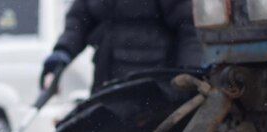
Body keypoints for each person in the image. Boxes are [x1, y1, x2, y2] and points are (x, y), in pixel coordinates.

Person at [41, 0, 203, 91]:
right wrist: (62, 54)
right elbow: (78, 23)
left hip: (156, 87)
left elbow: (188, 28)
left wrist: (189, 74)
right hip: (107, 85)